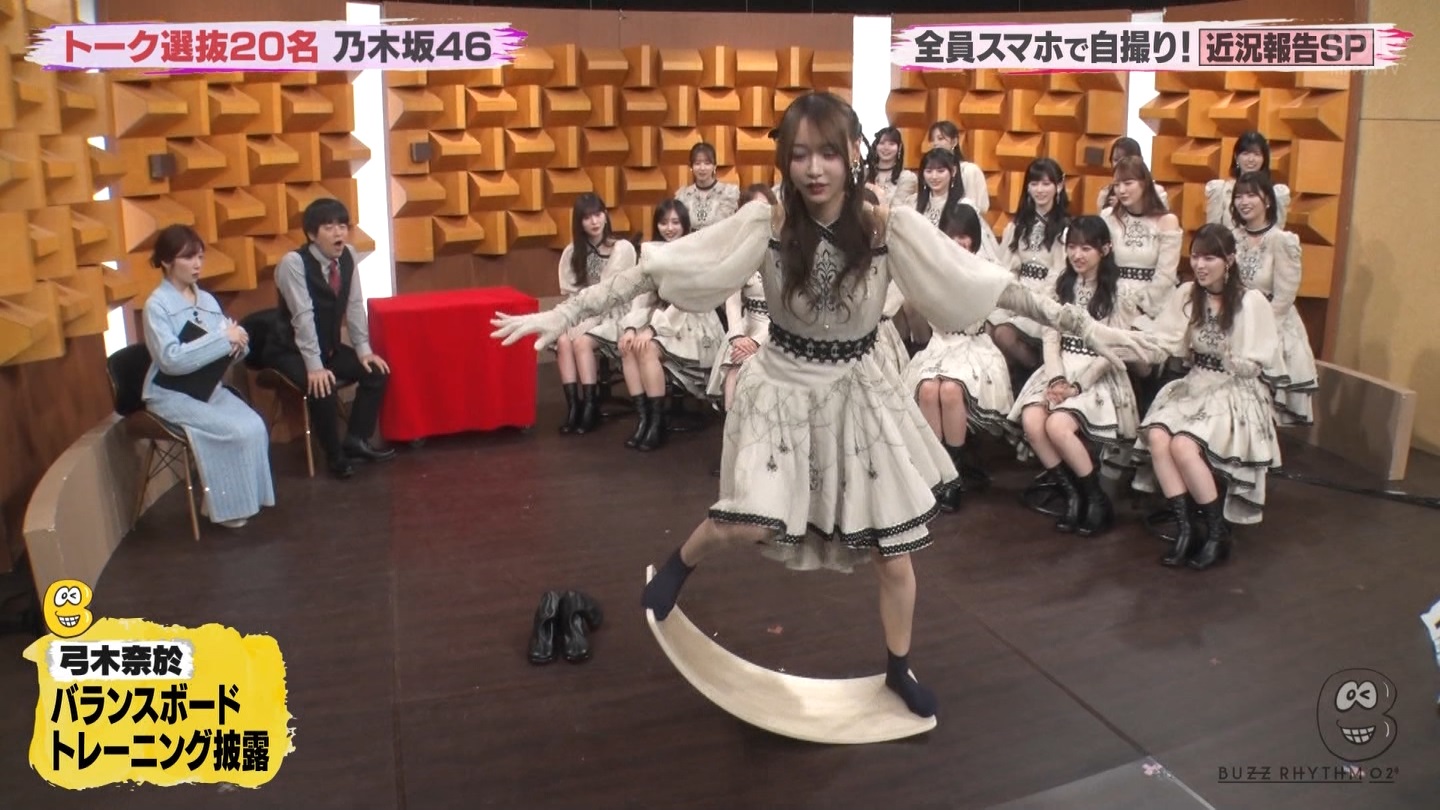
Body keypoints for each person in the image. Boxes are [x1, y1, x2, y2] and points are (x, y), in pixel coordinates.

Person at [492, 92, 1157, 719]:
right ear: (786, 159)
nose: (814, 169)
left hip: (859, 392)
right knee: (748, 521)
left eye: (828, 153)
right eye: (801, 154)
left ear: (851, 156)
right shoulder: (767, 222)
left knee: (893, 551)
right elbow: (660, 269)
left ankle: (898, 669)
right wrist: (567, 315)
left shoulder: (889, 228)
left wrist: (1082, 326)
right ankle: (678, 565)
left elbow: (991, 285)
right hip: (782, 387)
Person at [1130, 225, 1286, 569]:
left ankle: (1217, 534)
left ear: (1229, 260)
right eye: (1196, 257)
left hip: (1234, 390)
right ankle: (1187, 529)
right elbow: (1166, 341)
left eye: (1209, 258)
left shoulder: (1250, 301)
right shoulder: (1188, 294)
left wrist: (1234, 359)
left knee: (1184, 446)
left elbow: (1256, 363)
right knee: (1157, 436)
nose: (1200, 265)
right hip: (1196, 382)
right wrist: (1128, 343)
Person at [142, 224, 274, 528]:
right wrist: (222, 339)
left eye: (200, 257)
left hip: (206, 388)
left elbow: (226, 344)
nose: (197, 264)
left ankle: (245, 499)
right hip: (170, 394)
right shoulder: (156, 306)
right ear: (167, 261)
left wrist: (238, 343)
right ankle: (226, 507)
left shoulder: (207, 301)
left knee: (254, 425)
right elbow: (171, 360)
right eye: (188, 257)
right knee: (234, 431)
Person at [267, 198, 394, 479]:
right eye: (329, 227)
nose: (339, 233)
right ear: (312, 234)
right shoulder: (294, 263)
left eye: (342, 226)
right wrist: (314, 366)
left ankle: (356, 439)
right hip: (290, 350)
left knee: (376, 372)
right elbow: (303, 316)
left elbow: (355, 305)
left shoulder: (348, 256)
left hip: (329, 347)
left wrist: (363, 350)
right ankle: (334, 455)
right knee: (322, 385)